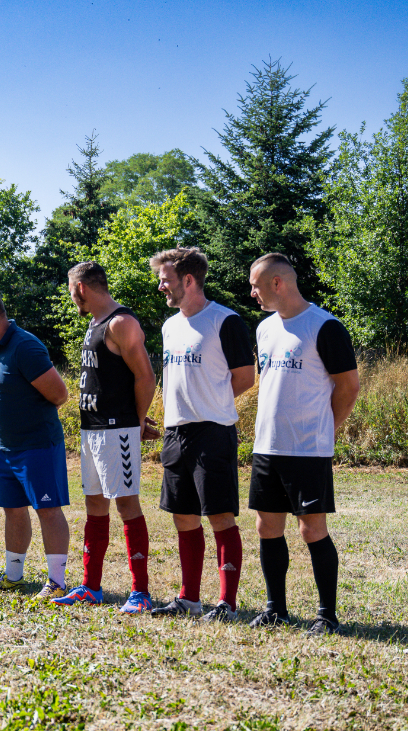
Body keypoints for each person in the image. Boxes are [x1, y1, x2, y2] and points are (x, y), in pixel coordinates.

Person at [244, 253, 359, 634]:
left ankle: (327, 615)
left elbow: (348, 387)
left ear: (277, 283)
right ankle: (276, 609)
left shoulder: (325, 326)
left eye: (256, 286)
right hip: (267, 446)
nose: (253, 293)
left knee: (311, 529)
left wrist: (326, 427)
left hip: (308, 448)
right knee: (266, 526)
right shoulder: (264, 329)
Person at [148, 247, 255, 622]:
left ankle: (227, 604)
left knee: (220, 517)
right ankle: (188, 600)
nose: (161, 286)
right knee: (184, 517)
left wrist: (212, 401)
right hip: (176, 434)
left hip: (213, 432)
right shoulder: (169, 326)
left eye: (165, 280)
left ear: (188, 279)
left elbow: (245, 377)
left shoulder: (225, 321)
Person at [54, 262, 160, 612]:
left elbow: (145, 377)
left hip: (118, 430)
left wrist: (137, 421)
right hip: (92, 429)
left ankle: (140, 593)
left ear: (81, 288)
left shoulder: (121, 322)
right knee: (95, 506)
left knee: (127, 505)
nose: (72, 297)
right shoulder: (95, 323)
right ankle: (90, 587)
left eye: (71, 290)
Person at [0, 293, 72, 600]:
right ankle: (13, 576)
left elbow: (60, 394)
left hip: (37, 446)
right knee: (13, 510)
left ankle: (57, 582)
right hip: (7, 449)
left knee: (47, 510)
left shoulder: (25, 346)